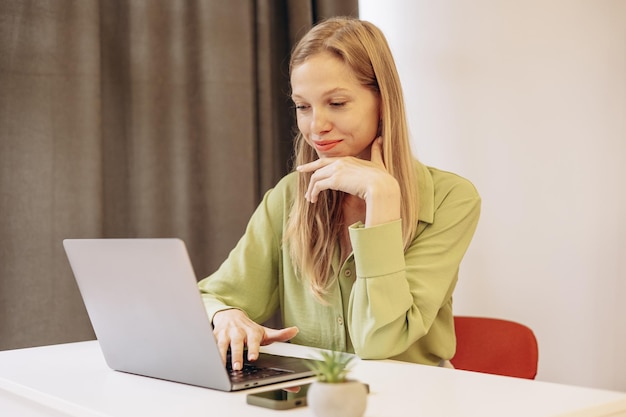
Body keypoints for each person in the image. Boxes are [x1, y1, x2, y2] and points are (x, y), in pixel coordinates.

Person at [198, 16, 480, 372]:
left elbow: (380, 342)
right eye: (303, 106)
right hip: (316, 400)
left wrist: (381, 197)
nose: (316, 126)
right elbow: (213, 295)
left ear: (382, 102)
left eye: (337, 103)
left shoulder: (451, 200)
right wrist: (227, 315)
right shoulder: (288, 197)